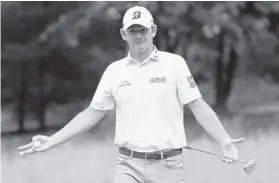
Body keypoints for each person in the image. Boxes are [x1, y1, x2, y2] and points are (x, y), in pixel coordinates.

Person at [18, 5, 243, 183]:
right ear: (123, 34)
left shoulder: (175, 64)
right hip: (128, 165)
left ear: (153, 31)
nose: (139, 36)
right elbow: (90, 114)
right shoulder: (114, 71)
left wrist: (223, 139)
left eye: (143, 30)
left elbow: (198, 106)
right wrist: (52, 141)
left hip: (168, 166)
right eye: (133, 31)